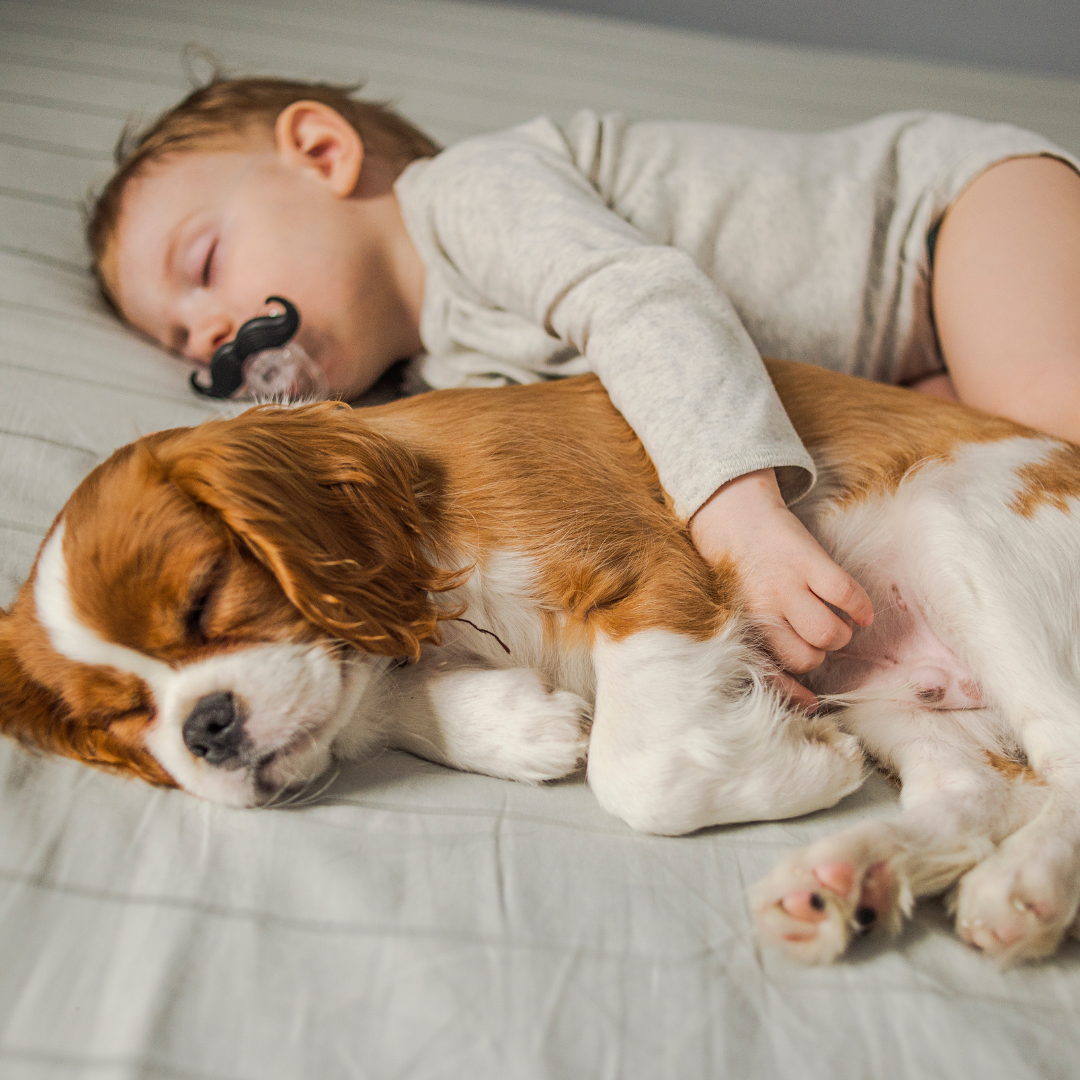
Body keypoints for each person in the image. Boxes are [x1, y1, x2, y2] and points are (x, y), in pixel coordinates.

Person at [86, 78, 1080, 703]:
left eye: (204, 267)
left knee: (1048, 421)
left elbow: (647, 304)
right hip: (889, 381)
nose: (212, 337)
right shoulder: (453, 380)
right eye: (185, 343)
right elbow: (628, 478)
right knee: (985, 472)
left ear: (321, 152)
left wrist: (740, 525)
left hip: (946, 219)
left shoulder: (470, 197)